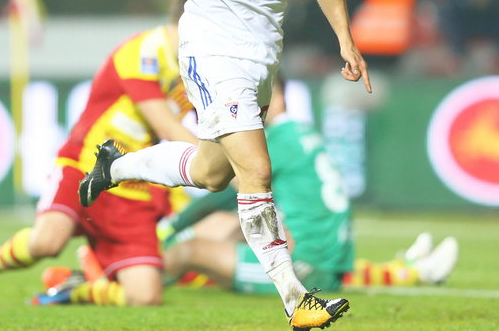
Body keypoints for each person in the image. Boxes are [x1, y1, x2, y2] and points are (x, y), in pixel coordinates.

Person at [78, 0, 371, 331]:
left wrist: (344, 38)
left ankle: (113, 166)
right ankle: (296, 301)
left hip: (264, 55)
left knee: (214, 172)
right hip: (211, 50)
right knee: (255, 171)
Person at [0, 0, 197, 307]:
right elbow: (169, 128)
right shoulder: (143, 51)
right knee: (46, 243)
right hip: (85, 166)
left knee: (145, 297)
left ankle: (75, 289)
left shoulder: (197, 66)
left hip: (132, 188)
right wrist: (221, 162)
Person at [158, 77, 458, 292]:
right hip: (327, 256)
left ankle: (131, 282)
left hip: (304, 266)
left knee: (190, 251)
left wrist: (173, 225)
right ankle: (406, 270)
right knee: (223, 228)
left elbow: (220, 190)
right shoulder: (301, 134)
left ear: (277, 99)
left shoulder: (273, 141)